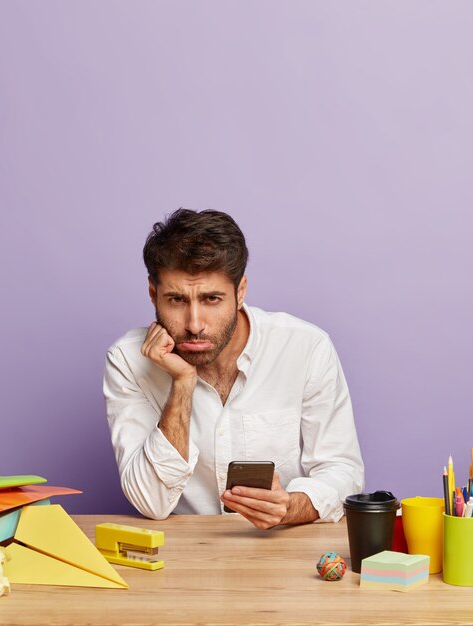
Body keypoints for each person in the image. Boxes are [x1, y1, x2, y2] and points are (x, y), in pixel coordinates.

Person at [103, 209, 364, 529]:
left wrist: (291, 507)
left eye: (212, 299)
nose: (194, 324)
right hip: (186, 558)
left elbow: (342, 470)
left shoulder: (305, 347)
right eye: (176, 300)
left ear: (240, 293)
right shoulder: (128, 360)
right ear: (153, 294)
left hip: (285, 551)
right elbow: (151, 502)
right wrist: (182, 382)